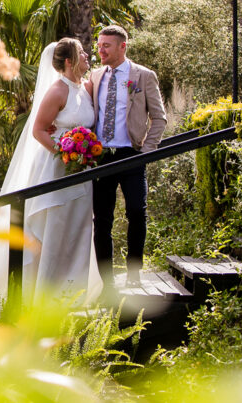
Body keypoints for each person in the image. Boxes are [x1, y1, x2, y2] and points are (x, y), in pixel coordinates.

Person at [0, 38, 101, 314]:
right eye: (82, 53)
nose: (87, 55)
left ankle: (73, 293)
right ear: (68, 61)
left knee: (78, 228)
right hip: (57, 169)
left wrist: (82, 156)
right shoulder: (57, 91)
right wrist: (64, 153)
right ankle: (46, 298)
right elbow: (39, 129)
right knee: (55, 227)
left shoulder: (84, 88)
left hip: (82, 172)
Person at [89, 25, 166, 291]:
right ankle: (107, 282)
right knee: (102, 219)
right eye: (99, 45)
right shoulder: (95, 76)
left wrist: (146, 151)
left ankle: (134, 274)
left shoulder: (142, 76)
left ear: (123, 46)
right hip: (101, 157)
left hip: (132, 154)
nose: (101, 50)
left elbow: (159, 117)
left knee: (136, 212)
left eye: (106, 45)